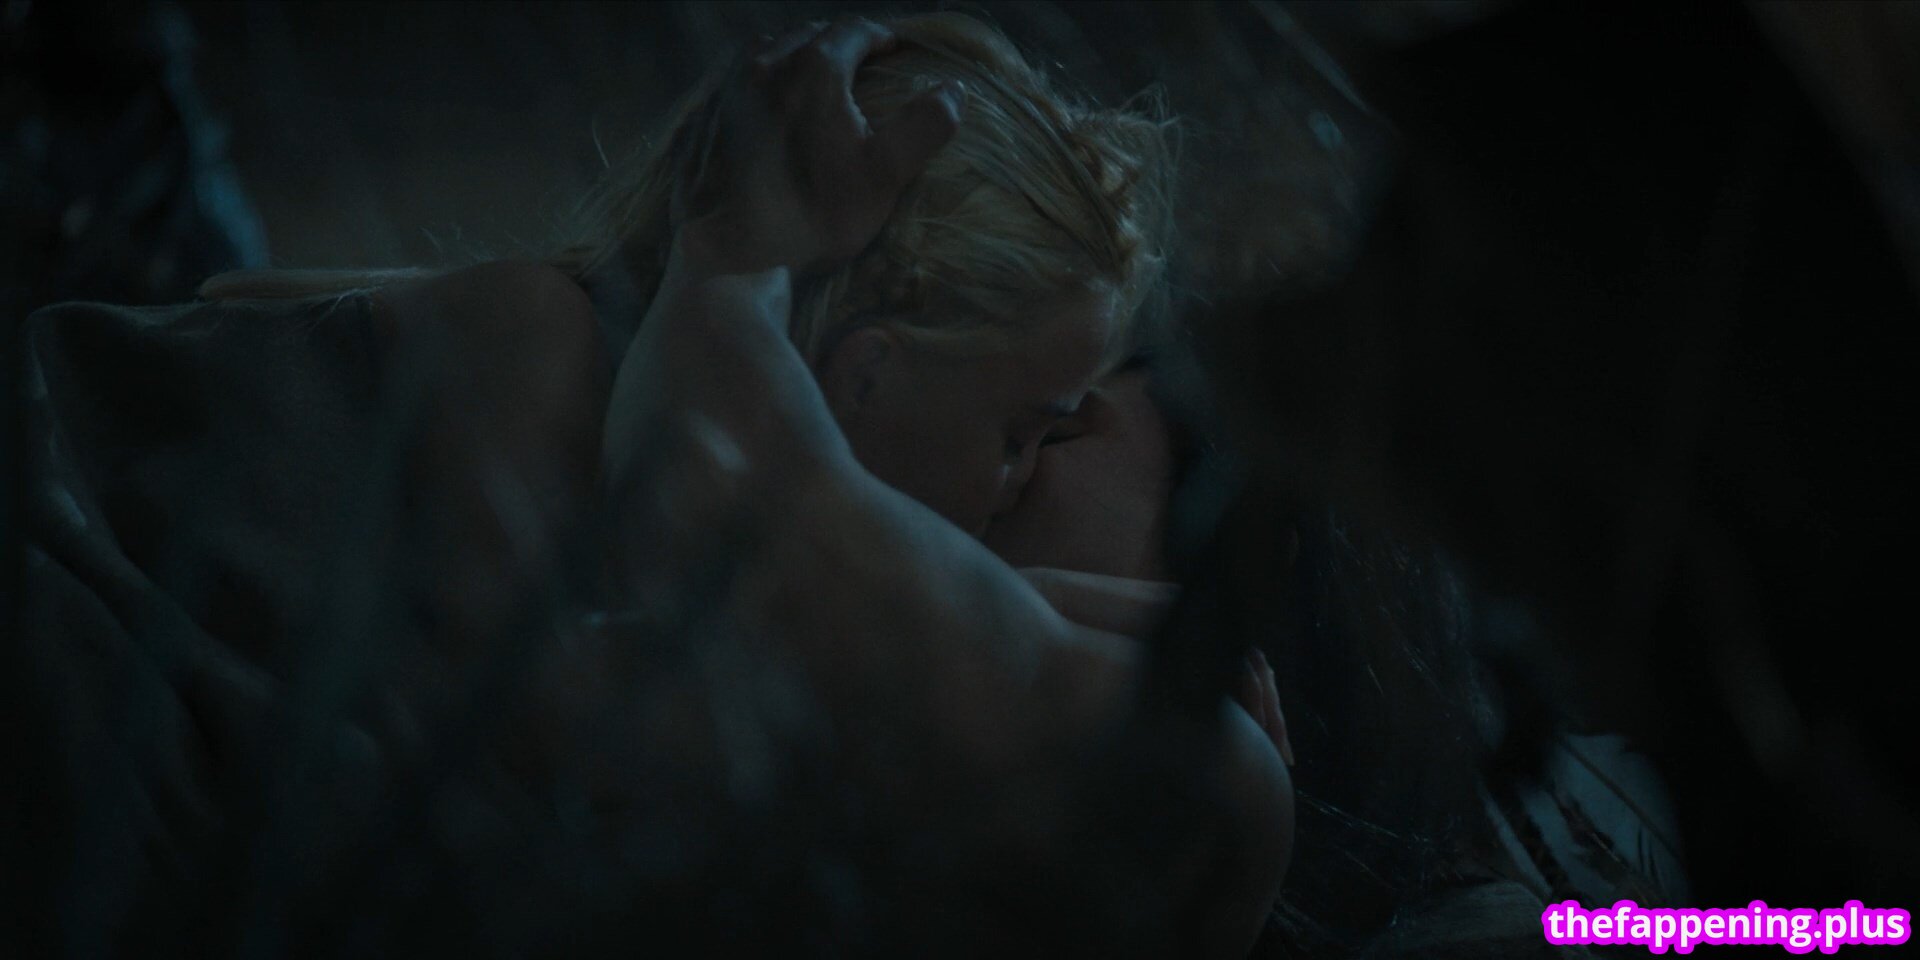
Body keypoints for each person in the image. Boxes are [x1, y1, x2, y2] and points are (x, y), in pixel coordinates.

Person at [15, 12, 1291, 956]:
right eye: (1021, 435)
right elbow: (571, 707)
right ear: (860, 378)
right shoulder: (544, 358)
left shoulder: (587, 363)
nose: (1010, 488)